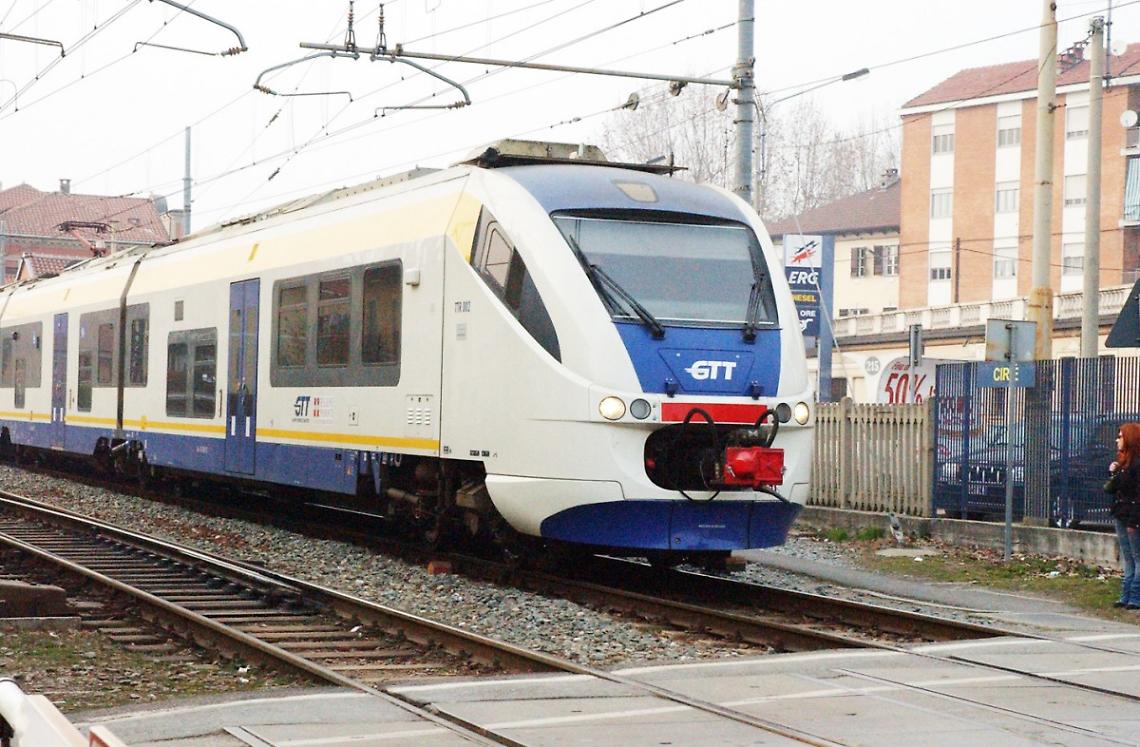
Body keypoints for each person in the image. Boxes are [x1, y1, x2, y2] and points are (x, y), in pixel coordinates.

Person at [1106, 423, 1140, 609]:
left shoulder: (1136, 465)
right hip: (1121, 514)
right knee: (1128, 557)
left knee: (1137, 557)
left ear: (1130, 439)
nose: (1117, 440)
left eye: (1121, 436)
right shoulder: (1124, 463)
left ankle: (1135, 597)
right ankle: (1125, 596)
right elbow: (1112, 489)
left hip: (1132, 517)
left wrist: (1133, 522)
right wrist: (1113, 472)